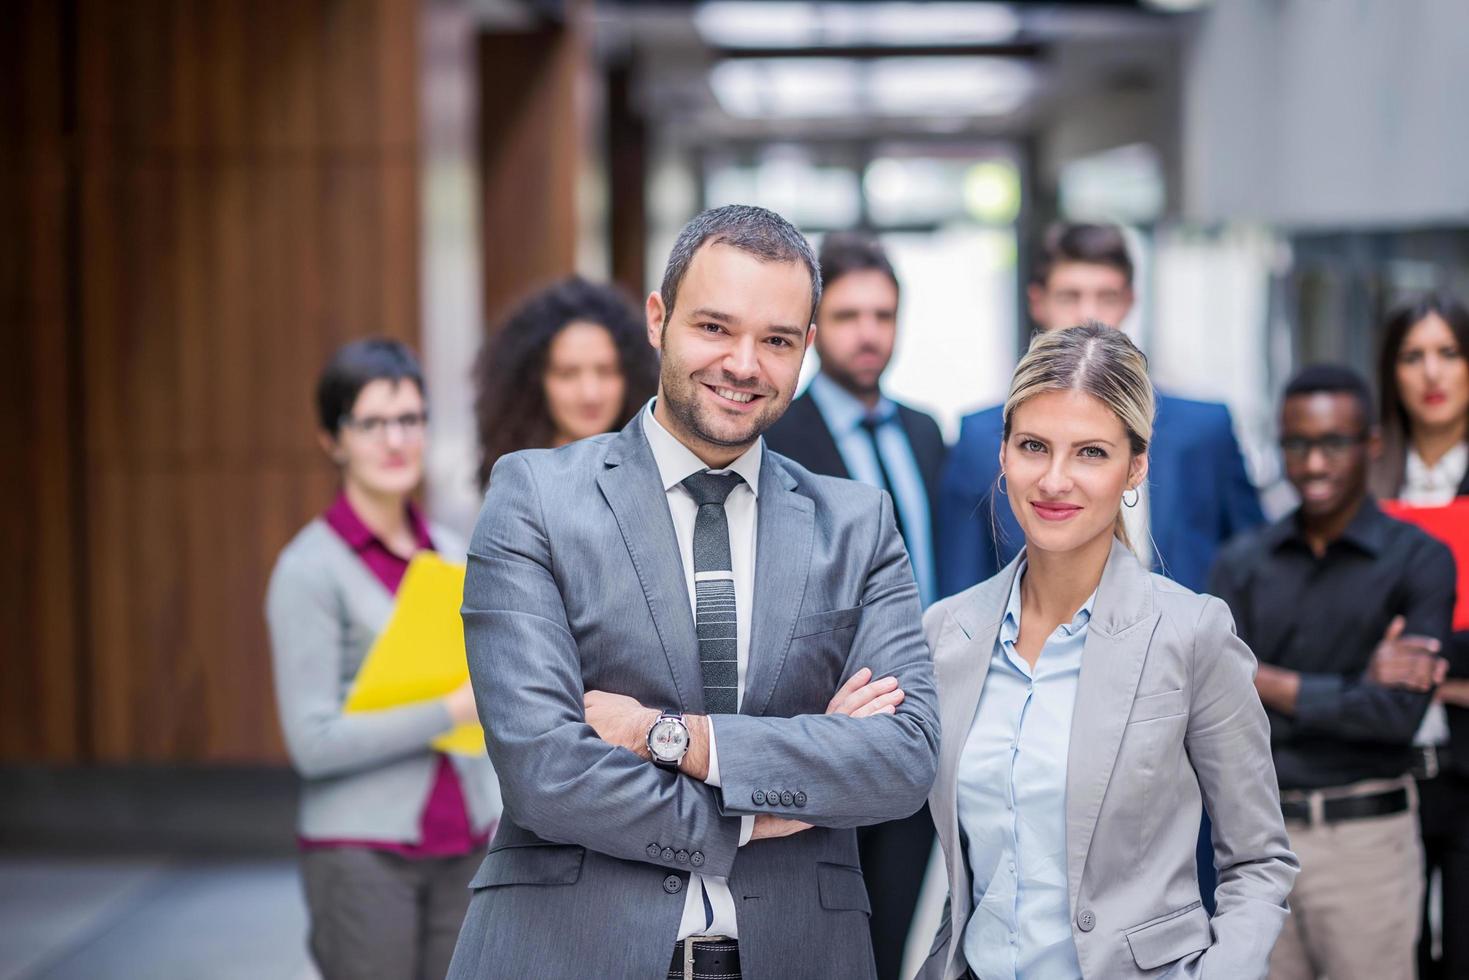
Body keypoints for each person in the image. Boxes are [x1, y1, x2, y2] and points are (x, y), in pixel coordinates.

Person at [446, 205, 940, 980]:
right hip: (568, 951)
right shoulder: (535, 497)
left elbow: (901, 759)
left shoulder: (856, 524)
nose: (743, 364)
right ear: (658, 319)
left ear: (805, 348)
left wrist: (672, 737)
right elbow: (544, 769)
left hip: (800, 954)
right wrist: (765, 809)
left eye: (776, 340)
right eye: (714, 328)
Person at [918, 323, 1296, 980]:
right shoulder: (946, 632)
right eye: (1033, 446)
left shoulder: (1192, 633)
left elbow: (1258, 862)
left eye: (1089, 452)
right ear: (1002, 453)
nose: (1054, 480)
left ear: (1135, 467)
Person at [1210, 364, 1456, 980]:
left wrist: (1265, 679)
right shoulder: (1242, 563)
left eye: (1333, 443)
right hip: (1258, 848)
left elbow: (1396, 718)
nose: (1313, 464)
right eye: (1297, 444)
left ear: (1371, 445)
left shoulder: (1420, 560)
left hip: (1367, 844)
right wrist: (1354, 685)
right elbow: (1220, 711)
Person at [266, 339, 501, 980]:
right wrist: (450, 709)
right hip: (362, 855)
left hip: (468, 841)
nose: (396, 440)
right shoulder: (309, 569)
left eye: (410, 419)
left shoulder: (452, 553)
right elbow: (312, 743)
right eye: (372, 423)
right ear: (333, 439)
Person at [762, 231, 944, 979]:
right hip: (823, 718)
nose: (868, 333)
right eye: (847, 316)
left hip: (918, 723)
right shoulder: (779, 439)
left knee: (898, 932)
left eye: (883, 315)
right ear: (812, 330)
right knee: (822, 936)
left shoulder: (927, 433)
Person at [938, 222, 1262, 596]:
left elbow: (1254, 568)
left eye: (1105, 296)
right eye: (1070, 296)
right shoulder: (979, 437)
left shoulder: (1206, 429)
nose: (1089, 315)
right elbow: (961, 586)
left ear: (1129, 302)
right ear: (1037, 302)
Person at [1368, 294, 1469, 980]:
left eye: (1448, 352)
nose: (1431, 373)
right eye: (1412, 356)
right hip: (1377, 770)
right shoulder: (1359, 485)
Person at [473, 276, 659, 489]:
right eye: (568, 374)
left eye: (606, 371)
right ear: (534, 381)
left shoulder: (654, 478)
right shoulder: (516, 485)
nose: (590, 393)